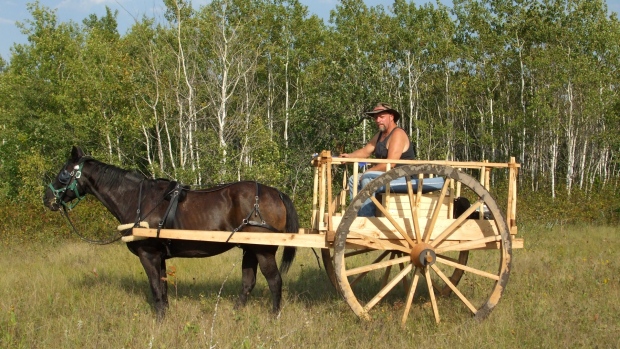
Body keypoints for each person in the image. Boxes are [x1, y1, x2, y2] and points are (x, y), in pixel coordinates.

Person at [340, 103, 416, 216]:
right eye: (376, 117)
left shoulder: (397, 134)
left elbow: (390, 163)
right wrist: (350, 156)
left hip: (402, 178)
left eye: (381, 116)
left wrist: (368, 172)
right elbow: (365, 151)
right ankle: (356, 216)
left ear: (391, 117)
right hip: (389, 176)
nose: (378, 120)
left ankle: (368, 220)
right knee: (353, 179)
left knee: (367, 178)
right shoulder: (380, 135)